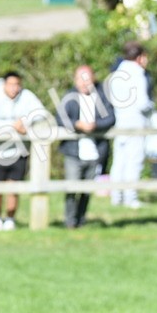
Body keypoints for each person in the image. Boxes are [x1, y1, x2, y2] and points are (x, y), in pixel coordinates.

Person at [0, 71, 48, 230]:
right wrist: (13, 125)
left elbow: (42, 113)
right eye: (11, 84)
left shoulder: (27, 96)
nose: (14, 88)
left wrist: (25, 121)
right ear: (4, 84)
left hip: (19, 151)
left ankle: (10, 219)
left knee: (14, 186)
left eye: (17, 84)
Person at [58, 66, 115, 229]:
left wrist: (95, 126)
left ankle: (81, 219)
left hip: (96, 151)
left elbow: (111, 118)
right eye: (80, 79)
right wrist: (77, 125)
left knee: (87, 188)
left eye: (87, 79)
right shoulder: (69, 97)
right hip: (73, 151)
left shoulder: (102, 97)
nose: (84, 83)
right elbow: (60, 118)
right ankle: (69, 221)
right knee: (71, 187)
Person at [106, 41, 152, 209]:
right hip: (135, 122)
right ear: (139, 57)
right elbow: (142, 103)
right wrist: (152, 108)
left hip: (120, 120)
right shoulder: (137, 74)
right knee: (134, 160)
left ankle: (116, 196)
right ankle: (130, 197)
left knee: (119, 160)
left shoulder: (117, 72)